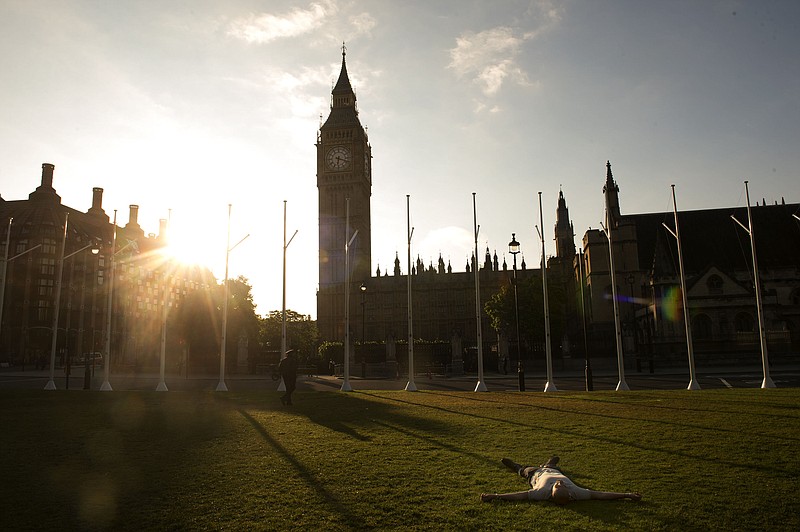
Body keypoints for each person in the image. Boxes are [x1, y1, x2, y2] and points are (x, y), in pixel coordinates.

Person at [480, 456, 642, 505]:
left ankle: (513, 465)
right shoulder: (576, 493)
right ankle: (551, 462)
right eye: (562, 484)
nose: (560, 483)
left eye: (558, 485)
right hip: (555, 470)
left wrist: (494, 496)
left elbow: (517, 496)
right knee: (551, 465)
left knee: (522, 470)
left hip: (536, 474)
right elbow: (600, 494)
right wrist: (626, 494)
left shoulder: (541, 492)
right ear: (570, 494)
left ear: (551, 493)